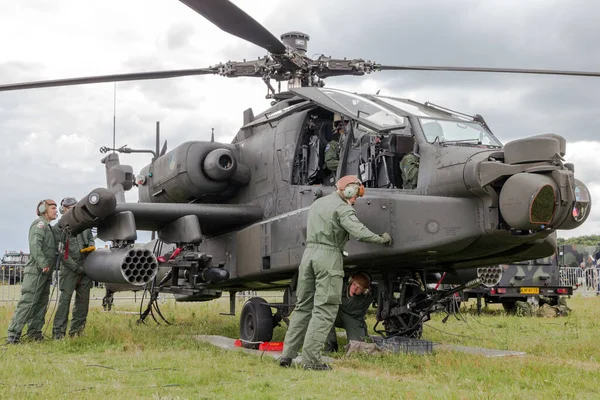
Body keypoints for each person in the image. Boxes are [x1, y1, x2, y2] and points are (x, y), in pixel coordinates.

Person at [280, 175, 392, 370]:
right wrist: (382, 239)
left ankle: (287, 356)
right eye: (356, 194)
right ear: (348, 190)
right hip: (328, 257)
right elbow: (359, 232)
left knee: (303, 307)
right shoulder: (343, 208)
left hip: (308, 256)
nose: (356, 199)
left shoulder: (317, 204)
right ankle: (311, 360)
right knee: (325, 309)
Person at [6, 199, 58, 343]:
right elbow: (35, 245)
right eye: (53, 208)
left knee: (41, 303)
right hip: (37, 271)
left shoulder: (49, 228)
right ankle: (13, 335)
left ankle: (34, 333)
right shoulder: (39, 225)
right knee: (28, 302)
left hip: (45, 271)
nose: (56, 211)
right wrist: (43, 263)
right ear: (43, 209)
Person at [52, 197, 96, 339]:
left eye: (74, 208)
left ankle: (76, 332)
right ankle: (58, 333)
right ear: (63, 209)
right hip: (70, 271)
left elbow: (90, 240)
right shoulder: (59, 228)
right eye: (68, 208)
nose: (71, 211)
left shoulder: (85, 226)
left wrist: (90, 248)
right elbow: (61, 254)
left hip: (85, 269)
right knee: (64, 302)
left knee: (83, 303)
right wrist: (76, 268)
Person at [324, 272, 377, 352]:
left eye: (359, 288)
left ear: (364, 291)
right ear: (351, 281)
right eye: (354, 284)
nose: (354, 289)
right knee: (324, 314)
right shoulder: (340, 284)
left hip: (353, 318)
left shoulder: (369, 294)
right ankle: (331, 345)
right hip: (335, 314)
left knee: (358, 347)